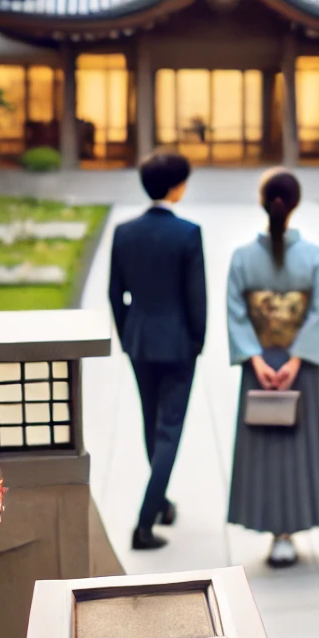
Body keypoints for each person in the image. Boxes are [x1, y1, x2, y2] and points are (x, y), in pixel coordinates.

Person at [226, 168, 319, 568]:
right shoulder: (313, 256)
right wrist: (295, 360)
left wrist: (256, 359)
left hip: (259, 366)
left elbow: (236, 313)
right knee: (296, 447)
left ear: (264, 202)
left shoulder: (242, 257)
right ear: (294, 204)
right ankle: (288, 532)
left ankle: (276, 531)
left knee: (266, 448)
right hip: (299, 366)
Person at [108, 151, 207, 551]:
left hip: (140, 340)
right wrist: (198, 342)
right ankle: (144, 523)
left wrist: (128, 332)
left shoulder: (124, 231)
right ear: (176, 186)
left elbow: (116, 294)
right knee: (169, 431)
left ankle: (161, 503)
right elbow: (196, 297)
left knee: (152, 423)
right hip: (179, 342)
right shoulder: (187, 233)